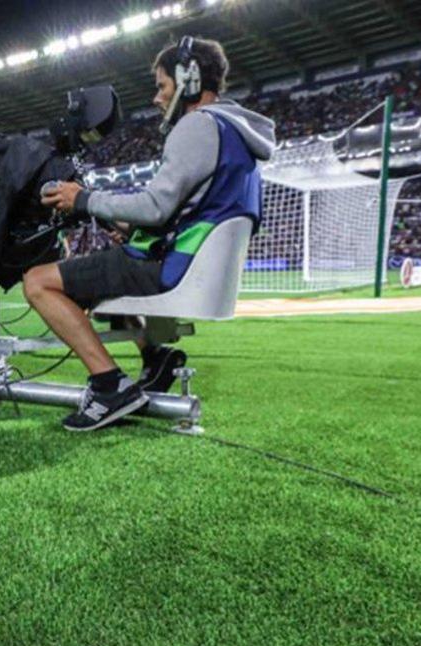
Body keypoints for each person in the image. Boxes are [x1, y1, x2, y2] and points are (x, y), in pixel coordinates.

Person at [24, 36, 276, 431]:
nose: (157, 98)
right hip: (189, 261)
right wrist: (126, 224)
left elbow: (154, 206)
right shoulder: (235, 133)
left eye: (162, 86)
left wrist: (85, 199)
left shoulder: (197, 125)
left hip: (172, 268)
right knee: (105, 277)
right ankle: (155, 358)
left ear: (189, 81)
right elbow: (180, 213)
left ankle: (110, 386)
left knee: (37, 282)